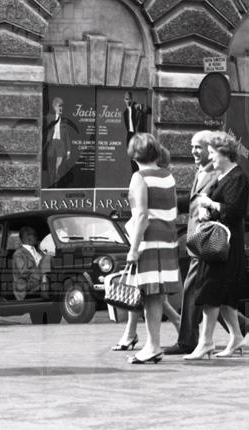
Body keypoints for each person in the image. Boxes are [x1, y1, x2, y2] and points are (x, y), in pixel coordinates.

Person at [164, 130, 249, 356]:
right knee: (219, 297)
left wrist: (211, 206)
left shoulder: (236, 177)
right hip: (210, 245)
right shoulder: (220, 175)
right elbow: (202, 204)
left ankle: (199, 341)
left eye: (211, 152)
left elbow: (235, 210)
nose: (210, 156)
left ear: (224, 152)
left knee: (208, 293)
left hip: (221, 246)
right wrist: (207, 211)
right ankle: (237, 333)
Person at [112, 133, 181, 364]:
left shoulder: (139, 177)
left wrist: (133, 249)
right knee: (156, 295)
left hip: (149, 240)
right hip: (168, 238)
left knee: (151, 295)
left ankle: (152, 346)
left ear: (134, 155)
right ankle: (152, 345)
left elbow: (141, 215)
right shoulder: (168, 176)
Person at [42, 97, 72, 188]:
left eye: (62, 106)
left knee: (58, 166)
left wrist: (68, 151)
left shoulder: (65, 121)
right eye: (59, 106)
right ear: (54, 107)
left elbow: (67, 137)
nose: (61, 108)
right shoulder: (49, 118)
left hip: (60, 145)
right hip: (51, 143)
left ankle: (56, 181)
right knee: (50, 166)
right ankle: (52, 180)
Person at [12, 226, 47, 300]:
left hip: (39, 284)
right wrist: (41, 271)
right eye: (35, 235)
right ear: (28, 237)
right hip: (26, 288)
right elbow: (24, 272)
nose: (37, 238)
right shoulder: (19, 254)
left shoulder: (38, 251)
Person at [123, 92, 150, 173]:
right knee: (132, 158)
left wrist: (141, 107)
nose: (127, 101)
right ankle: (135, 174)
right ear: (124, 100)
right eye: (126, 99)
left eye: (129, 99)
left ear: (131, 99)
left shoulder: (137, 107)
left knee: (141, 156)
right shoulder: (125, 113)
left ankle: (141, 173)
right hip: (130, 136)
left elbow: (149, 110)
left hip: (139, 135)